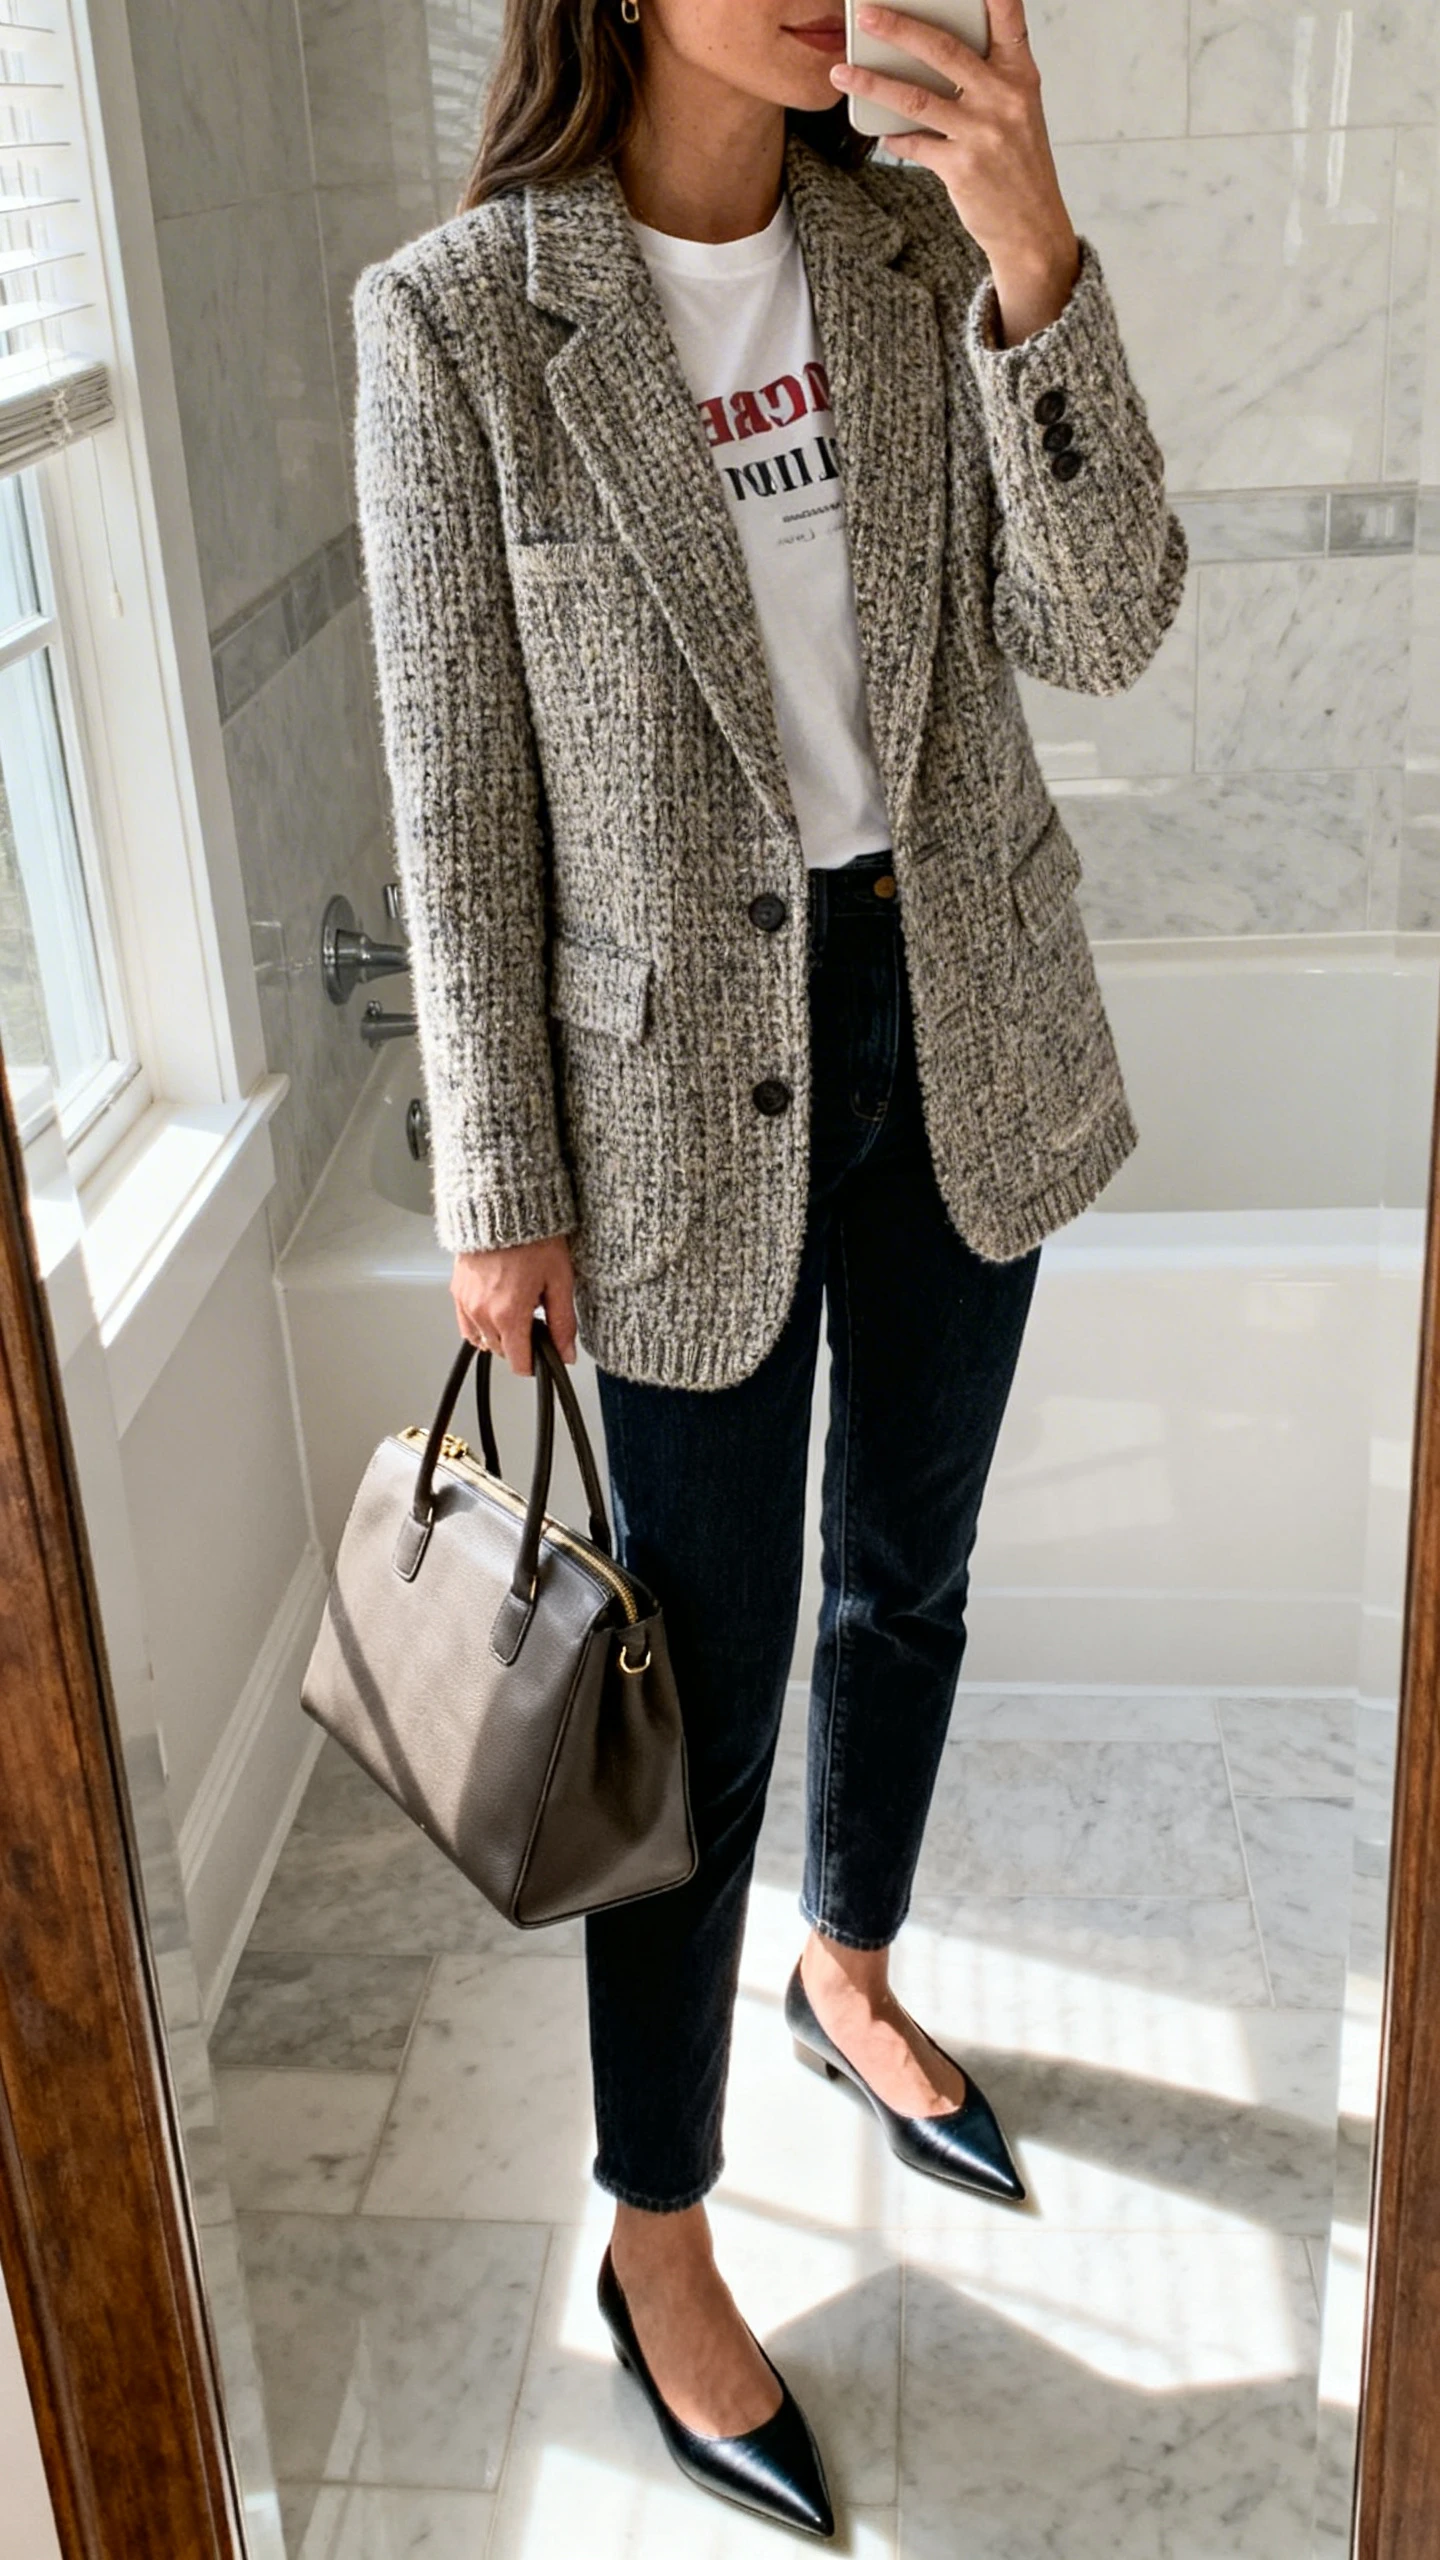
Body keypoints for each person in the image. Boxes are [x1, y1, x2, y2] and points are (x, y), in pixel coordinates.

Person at [351, 0, 1187, 2536]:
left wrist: (1036, 248)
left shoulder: (916, 244)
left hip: (961, 1012)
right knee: (693, 1706)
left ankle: (855, 1963)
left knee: (908, 1573)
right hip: (668, 1101)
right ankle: (659, 2224)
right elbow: (455, 792)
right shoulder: (461, 323)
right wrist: (499, 1179)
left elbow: (1108, 624)